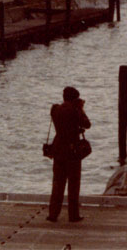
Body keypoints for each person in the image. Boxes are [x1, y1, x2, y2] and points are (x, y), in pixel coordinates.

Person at [47, 86, 91, 223]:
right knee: (73, 184)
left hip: (58, 149)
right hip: (72, 151)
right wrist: (81, 109)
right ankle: (73, 215)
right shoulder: (75, 110)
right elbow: (87, 124)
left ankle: (53, 214)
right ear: (74, 98)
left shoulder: (55, 110)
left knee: (57, 183)